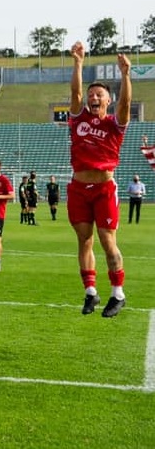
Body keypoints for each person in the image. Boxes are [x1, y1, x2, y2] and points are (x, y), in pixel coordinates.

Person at [67, 41, 132, 318]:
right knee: (84, 240)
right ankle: (91, 292)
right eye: (92, 94)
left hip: (104, 188)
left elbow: (127, 102)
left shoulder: (114, 125)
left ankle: (118, 294)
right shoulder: (78, 118)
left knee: (107, 240)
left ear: (108, 101)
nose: (94, 97)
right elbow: (75, 91)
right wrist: (78, 62)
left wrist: (125, 75)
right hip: (79, 188)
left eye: (100, 95)